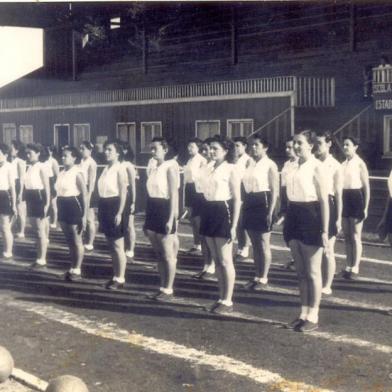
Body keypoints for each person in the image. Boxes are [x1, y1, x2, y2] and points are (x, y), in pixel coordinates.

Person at [283, 130, 329, 332]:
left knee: (312, 271)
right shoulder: (291, 166)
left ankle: (314, 315)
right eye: (294, 143)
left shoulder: (317, 167)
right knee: (300, 272)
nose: (296, 146)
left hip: (311, 216)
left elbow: (324, 201)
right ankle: (303, 313)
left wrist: (325, 230)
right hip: (293, 215)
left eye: (300, 143)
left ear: (310, 145)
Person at [199, 135, 241, 314]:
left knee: (225, 260)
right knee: (216, 259)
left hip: (223, 211)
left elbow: (238, 199)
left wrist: (233, 227)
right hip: (208, 210)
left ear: (225, 151)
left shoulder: (231, 169)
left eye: (215, 148)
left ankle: (228, 300)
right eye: (210, 148)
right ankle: (221, 297)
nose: (211, 151)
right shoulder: (208, 167)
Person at [144, 137, 180, 301]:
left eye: (155, 148)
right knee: (158, 254)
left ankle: (169, 289)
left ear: (165, 149)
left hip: (165, 208)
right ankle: (162, 287)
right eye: (151, 148)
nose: (152, 152)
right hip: (153, 207)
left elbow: (174, 194)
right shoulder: (152, 166)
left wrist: (171, 218)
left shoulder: (170, 166)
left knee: (168, 254)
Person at [242, 135, 279, 291]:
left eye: (257, 145)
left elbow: (275, 190)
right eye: (252, 145)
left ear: (265, 147)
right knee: (255, 243)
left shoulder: (270, 165)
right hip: (250, 201)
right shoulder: (249, 163)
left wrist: (271, 212)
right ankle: (257, 276)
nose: (253, 147)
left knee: (263, 243)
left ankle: (263, 278)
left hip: (263, 202)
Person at [314, 132, 343, 295]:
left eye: (319, 143)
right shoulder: (312, 163)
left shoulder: (336, 166)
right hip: (314, 206)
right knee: (315, 247)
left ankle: (327, 285)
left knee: (328, 248)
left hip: (329, 205)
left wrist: (338, 218)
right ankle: (317, 281)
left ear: (329, 144)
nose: (316, 146)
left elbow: (338, 194)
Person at [97, 141, 128, 290]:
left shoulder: (120, 169)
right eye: (105, 149)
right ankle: (115, 276)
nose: (106, 152)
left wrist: (120, 212)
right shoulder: (105, 169)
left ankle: (121, 279)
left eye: (109, 150)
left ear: (118, 153)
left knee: (117, 245)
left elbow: (123, 192)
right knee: (110, 245)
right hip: (104, 205)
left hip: (115, 205)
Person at [56, 147, 88, 281]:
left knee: (76, 240)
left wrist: (84, 215)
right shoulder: (61, 172)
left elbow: (85, 195)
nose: (63, 158)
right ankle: (72, 268)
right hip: (62, 204)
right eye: (62, 156)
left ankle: (78, 270)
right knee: (69, 240)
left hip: (73, 206)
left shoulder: (77, 173)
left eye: (66, 156)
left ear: (74, 158)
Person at [341, 137, 370, 280]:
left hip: (357, 198)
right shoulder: (342, 164)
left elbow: (366, 187)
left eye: (348, 145)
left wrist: (366, 207)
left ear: (355, 147)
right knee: (347, 236)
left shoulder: (360, 163)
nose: (345, 147)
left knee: (355, 235)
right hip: (345, 198)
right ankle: (348, 266)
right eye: (344, 145)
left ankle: (355, 267)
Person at [192, 137, 216, 280]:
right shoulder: (203, 166)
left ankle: (212, 266)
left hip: (210, 201)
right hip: (199, 199)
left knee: (210, 237)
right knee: (202, 235)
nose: (207, 152)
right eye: (204, 150)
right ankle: (206, 265)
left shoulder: (214, 166)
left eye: (209, 149)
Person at [24, 143, 51, 269]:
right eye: (27, 153)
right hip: (30, 198)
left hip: (39, 198)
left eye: (31, 153)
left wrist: (47, 204)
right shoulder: (29, 167)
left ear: (38, 153)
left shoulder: (42, 167)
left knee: (40, 231)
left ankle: (42, 259)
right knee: (36, 230)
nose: (28, 155)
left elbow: (47, 187)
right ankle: (39, 256)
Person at [183, 138, 207, 253]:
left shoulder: (202, 160)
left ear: (198, 148)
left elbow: (202, 177)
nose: (189, 148)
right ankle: (196, 244)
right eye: (188, 146)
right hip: (189, 189)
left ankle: (202, 245)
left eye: (192, 146)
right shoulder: (189, 160)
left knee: (198, 219)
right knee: (192, 219)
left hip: (198, 190)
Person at [279, 138, 298, 271]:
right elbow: (283, 186)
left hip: (297, 201)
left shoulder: (300, 163)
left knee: (297, 233)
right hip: (287, 199)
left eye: (290, 147)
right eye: (286, 147)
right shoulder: (286, 164)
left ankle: (298, 260)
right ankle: (294, 257)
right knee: (288, 233)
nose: (287, 150)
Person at [233, 136, 252, 260]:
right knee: (237, 222)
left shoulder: (248, 159)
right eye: (234, 146)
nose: (236, 148)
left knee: (243, 221)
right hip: (234, 190)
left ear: (245, 146)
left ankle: (245, 248)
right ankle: (240, 247)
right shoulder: (233, 159)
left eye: (238, 146)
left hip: (243, 190)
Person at [79, 141, 98, 252]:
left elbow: (91, 182)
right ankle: (82, 240)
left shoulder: (92, 163)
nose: (81, 151)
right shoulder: (81, 161)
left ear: (90, 150)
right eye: (80, 148)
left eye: (83, 149)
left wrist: (88, 196)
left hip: (88, 191)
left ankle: (90, 243)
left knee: (90, 219)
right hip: (81, 190)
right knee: (81, 216)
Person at [120, 141, 137, 260]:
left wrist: (134, 202)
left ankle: (130, 249)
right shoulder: (116, 164)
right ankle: (122, 247)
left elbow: (133, 185)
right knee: (121, 224)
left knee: (129, 225)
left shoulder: (129, 165)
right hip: (117, 197)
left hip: (128, 196)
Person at [0, 144, 16, 259]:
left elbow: (12, 187)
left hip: (4, 196)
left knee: (5, 226)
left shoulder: (9, 167)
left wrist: (14, 204)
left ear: (5, 155)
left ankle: (8, 251)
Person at [9, 140, 26, 238]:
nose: (10, 150)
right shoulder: (12, 161)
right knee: (14, 208)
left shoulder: (21, 162)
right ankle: (11, 227)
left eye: (12, 148)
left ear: (17, 150)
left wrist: (20, 193)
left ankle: (22, 231)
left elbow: (22, 179)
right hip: (13, 185)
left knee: (20, 210)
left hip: (19, 186)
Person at [45, 146, 60, 229]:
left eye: (49, 151)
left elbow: (57, 175)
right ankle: (47, 219)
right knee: (47, 202)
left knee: (53, 204)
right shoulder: (44, 160)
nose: (48, 153)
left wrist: (55, 185)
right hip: (45, 182)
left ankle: (54, 221)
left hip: (52, 183)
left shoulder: (53, 161)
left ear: (52, 152)